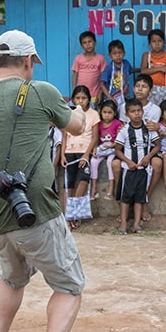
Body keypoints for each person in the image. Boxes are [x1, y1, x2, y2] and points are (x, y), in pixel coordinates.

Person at [0, 29, 91, 332]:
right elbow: (77, 126)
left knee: (11, 277)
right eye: (32, 63)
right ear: (27, 61)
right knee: (69, 285)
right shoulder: (41, 91)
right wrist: (81, 109)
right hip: (33, 208)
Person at [116, 74, 163, 219]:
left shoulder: (155, 109)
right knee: (116, 164)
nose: (140, 89)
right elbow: (123, 128)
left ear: (150, 90)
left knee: (157, 163)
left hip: (147, 147)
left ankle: (144, 200)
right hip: (129, 148)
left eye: (144, 87)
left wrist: (157, 128)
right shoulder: (125, 106)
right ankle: (125, 203)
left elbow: (153, 134)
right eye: (137, 86)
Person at [114, 98, 160, 234]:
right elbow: (117, 149)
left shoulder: (148, 128)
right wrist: (128, 161)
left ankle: (136, 225)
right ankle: (123, 225)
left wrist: (148, 157)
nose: (137, 114)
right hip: (128, 170)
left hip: (143, 170)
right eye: (133, 111)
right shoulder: (125, 130)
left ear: (143, 111)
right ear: (127, 114)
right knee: (126, 198)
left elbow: (157, 145)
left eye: (139, 111)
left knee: (140, 198)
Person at [60, 85, 100, 230]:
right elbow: (65, 135)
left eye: (84, 98)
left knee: (83, 180)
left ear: (89, 99)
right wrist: (63, 155)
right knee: (68, 185)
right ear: (73, 99)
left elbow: (95, 137)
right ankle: (68, 218)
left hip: (84, 152)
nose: (81, 101)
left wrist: (86, 154)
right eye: (78, 98)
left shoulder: (94, 114)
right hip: (69, 152)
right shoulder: (68, 114)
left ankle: (74, 214)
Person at [89, 99, 122, 200]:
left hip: (113, 149)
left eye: (110, 112)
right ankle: (94, 189)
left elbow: (120, 140)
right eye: (104, 112)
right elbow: (95, 138)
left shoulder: (117, 124)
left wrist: (111, 146)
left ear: (115, 113)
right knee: (93, 161)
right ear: (101, 112)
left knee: (109, 162)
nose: (107, 115)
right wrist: (94, 149)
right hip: (102, 149)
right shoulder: (98, 124)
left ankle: (111, 189)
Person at [71, 30, 106, 104]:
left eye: (90, 41)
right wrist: (74, 90)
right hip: (81, 94)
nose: (88, 44)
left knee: (93, 112)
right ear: (81, 46)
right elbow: (75, 75)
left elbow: (104, 78)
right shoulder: (78, 58)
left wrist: (100, 92)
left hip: (94, 94)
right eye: (84, 43)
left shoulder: (100, 58)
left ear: (95, 42)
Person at [140, 28, 166, 105]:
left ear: (164, 42)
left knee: (162, 112)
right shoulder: (146, 56)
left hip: (163, 89)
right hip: (148, 89)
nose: (157, 44)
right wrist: (160, 69)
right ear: (149, 44)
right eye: (154, 41)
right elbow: (143, 71)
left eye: (160, 41)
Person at [99, 39, 133, 106]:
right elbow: (102, 84)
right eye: (114, 53)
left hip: (124, 97)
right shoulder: (109, 68)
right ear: (110, 55)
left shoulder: (126, 64)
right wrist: (110, 98)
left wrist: (142, 69)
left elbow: (131, 70)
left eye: (120, 52)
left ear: (124, 53)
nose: (118, 55)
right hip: (112, 98)